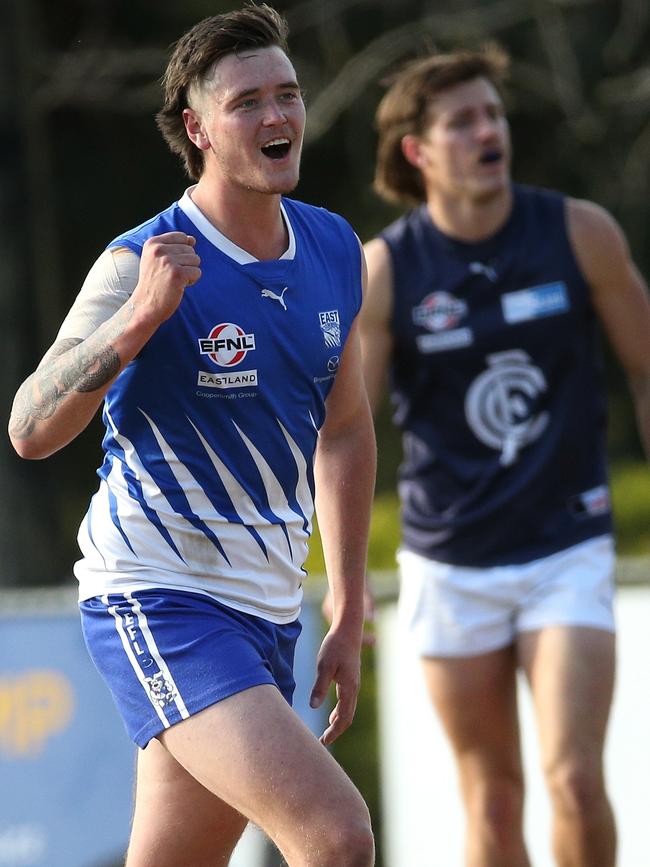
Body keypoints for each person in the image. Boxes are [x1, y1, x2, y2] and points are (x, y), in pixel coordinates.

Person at [8, 5, 376, 866]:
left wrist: (350, 603)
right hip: (159, 596)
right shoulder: (141, 261)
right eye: (249, 102)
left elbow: (348, 426)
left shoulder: (332, 247)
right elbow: (28, 427)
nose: (278, 116)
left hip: (266, 610)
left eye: (288, 94)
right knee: (336, 834)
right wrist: (136, 322)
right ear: (197, 128)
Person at [361, 46, 650, 867]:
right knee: (491, 801)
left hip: (568, 545)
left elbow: (647, 371)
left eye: (494, 114)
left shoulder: (579, 231)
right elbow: (350, 428)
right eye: (463, 121)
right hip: (450, 563)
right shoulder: (385, 269)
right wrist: (341, 572)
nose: (489, 131)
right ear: (419, 152)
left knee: (574, 778)